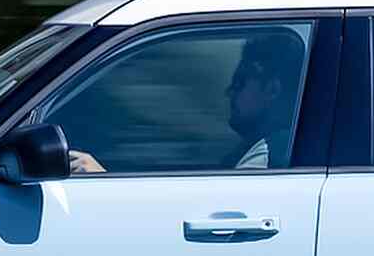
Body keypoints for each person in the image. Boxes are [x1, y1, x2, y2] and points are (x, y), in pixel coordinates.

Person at [67, 29, 301, 174]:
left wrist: (104, 182)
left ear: (271, 89)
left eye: (239, 83)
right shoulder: (259, 148)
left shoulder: (270, 155)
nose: (229, 92)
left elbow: (217, 219)